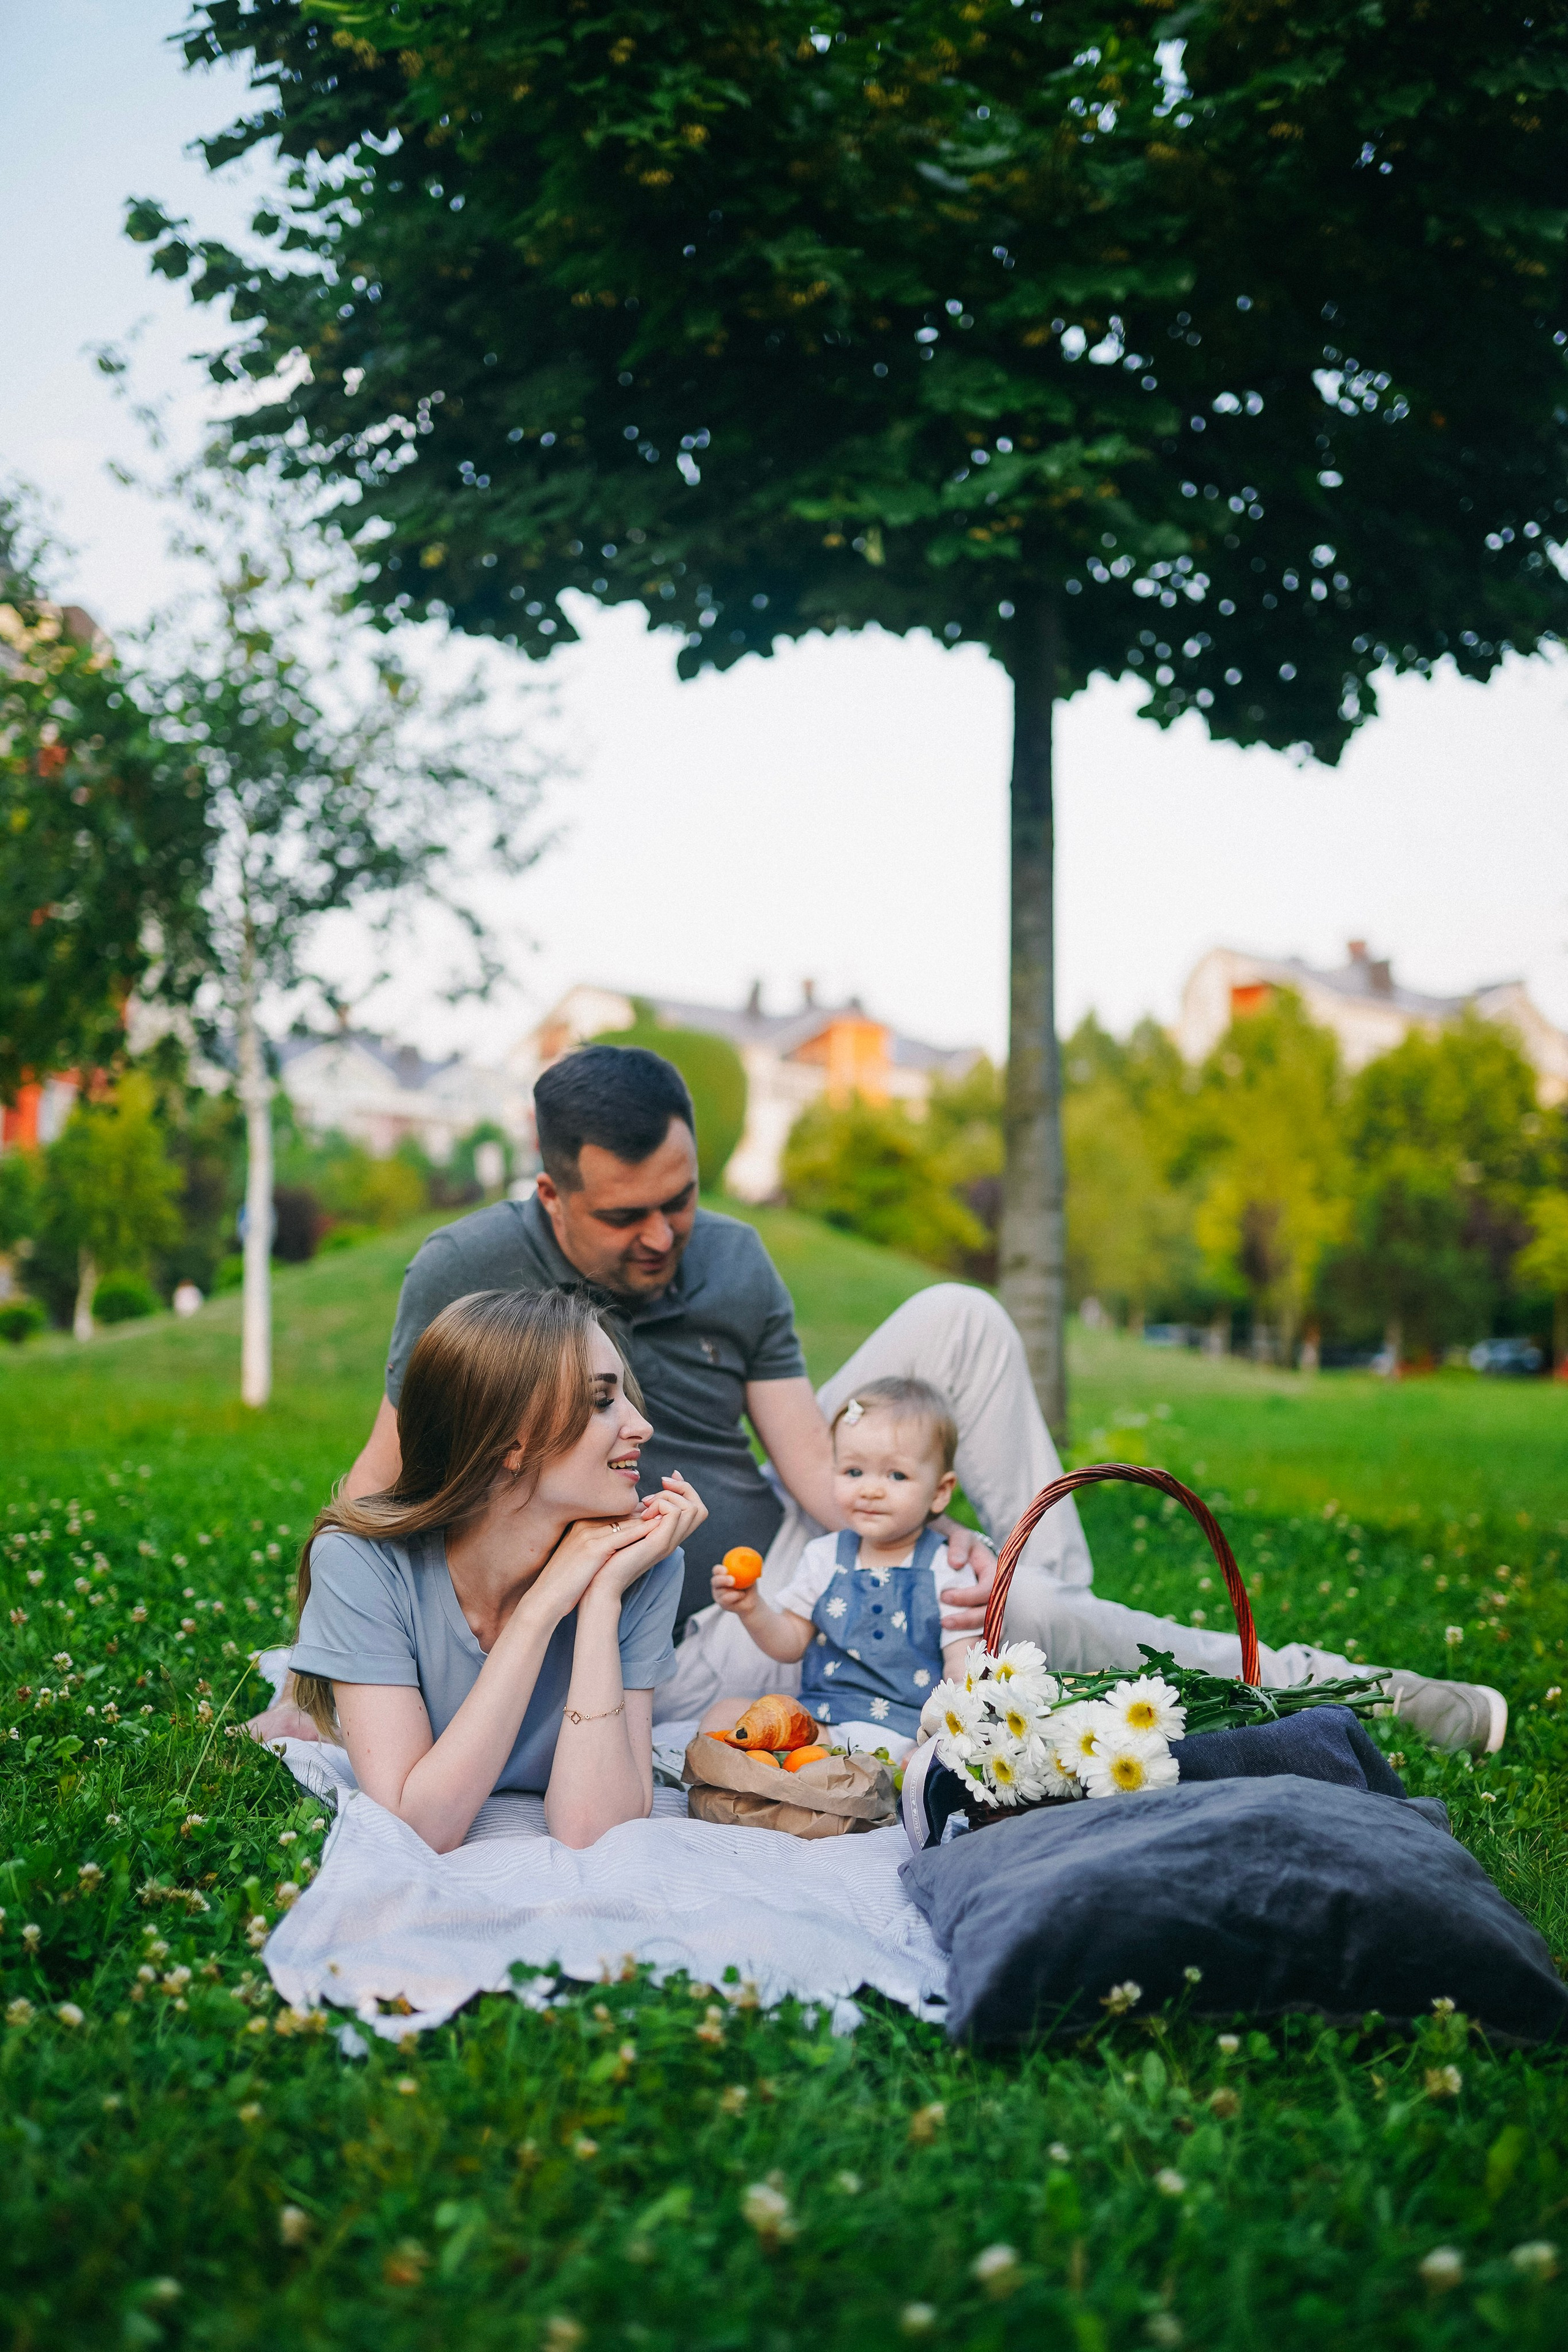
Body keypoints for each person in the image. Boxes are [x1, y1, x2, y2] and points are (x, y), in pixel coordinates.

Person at [253, 1040, 1506, 1760]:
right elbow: (386, 1478)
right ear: (549, 1192)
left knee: (959, 1319)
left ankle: (1016, 1597)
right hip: (680, 1629)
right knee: (1046, 1632)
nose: (663, 1237)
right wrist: (317, 1675)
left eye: (679, 1198)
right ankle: (1323, 1686)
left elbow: (810, 1467)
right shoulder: (466, 1272)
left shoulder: (731, 1259)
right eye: (626, 1216)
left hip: (785, 1567)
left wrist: (899, 1533)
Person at [285, 1287, 704, 1851]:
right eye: (602, 1401)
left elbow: (594, 1829)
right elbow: (419, 1828)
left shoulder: (643, 1568)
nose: (641, 1426)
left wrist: (602, 1598)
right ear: (510, 1439)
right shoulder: (362, 1563)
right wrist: (541, 1610)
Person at [703, 1376, 971, 1758]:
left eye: (896, 1475)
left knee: (934, 1761)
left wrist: (939, 1741)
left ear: (940, 1492)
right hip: (822, 1727)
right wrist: (751, 1607)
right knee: (724, 1714)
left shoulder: (948, 1568)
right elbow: (790, 1643)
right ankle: (804, 1785)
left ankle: (851, 1787)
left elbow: (961, 1670)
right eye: (853, 1472)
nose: (870, 1490)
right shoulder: (824, 1556)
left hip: (909, 1735)